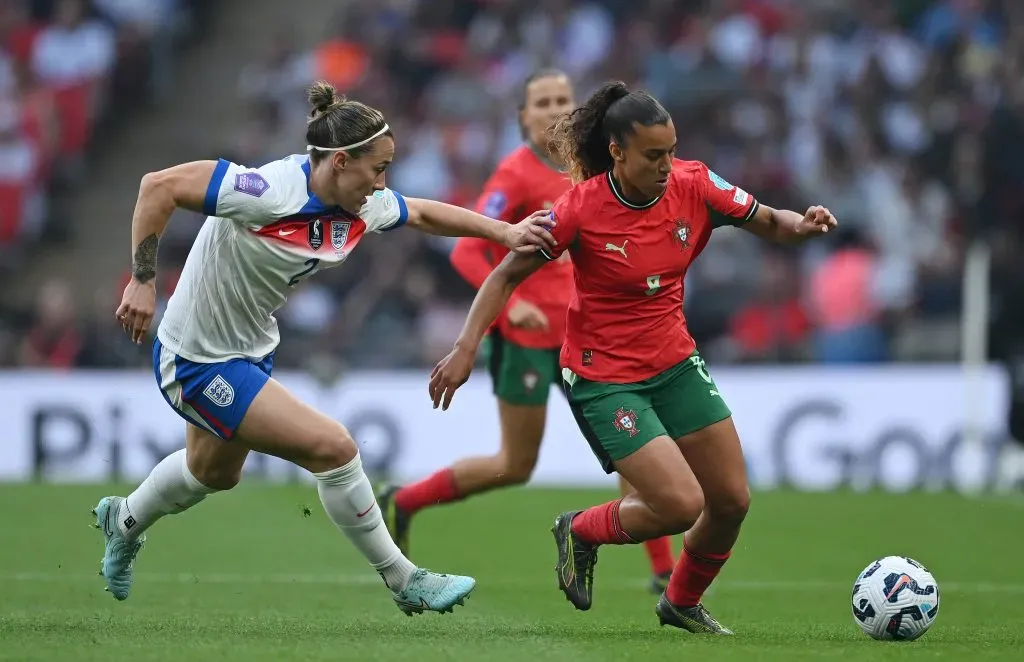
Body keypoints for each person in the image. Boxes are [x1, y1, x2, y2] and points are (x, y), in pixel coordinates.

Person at [94, 80, 558, 615]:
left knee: (213, 473)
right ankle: (403, 578)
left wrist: (504, 233)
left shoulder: (360, 205)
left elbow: (425, 214)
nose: (383, 182)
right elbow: (159, 185)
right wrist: (143, 280)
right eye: (377, 168)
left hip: (249, 348)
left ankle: (123, 519)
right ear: (339, 162)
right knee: (333, 448)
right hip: (196, 360)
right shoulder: (265, 190)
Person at [427, 81, 837, 634]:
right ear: (616, 152)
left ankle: (681, 602)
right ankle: (580, 530)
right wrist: (465, 347)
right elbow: (504, 276)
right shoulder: (577, 207)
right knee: (679, 504)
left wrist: (802, 225)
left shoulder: (694, 183)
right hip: (604, 377)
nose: (667, 165)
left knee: (731, 501)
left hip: (675, 362)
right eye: (653, 155)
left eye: (670, 151)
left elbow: (769, 220)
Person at [377, 69, 677, 593]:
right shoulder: (515, 175)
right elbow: (470, 249)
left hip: (590, 340)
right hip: (529, 344)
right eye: (542, 101)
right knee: (515, 465)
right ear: (523, 117)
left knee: (633, 444)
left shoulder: (596, 167)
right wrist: (510, 310)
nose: (555, 107)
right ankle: (405, 500)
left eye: (563, 98)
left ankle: (661, 569)